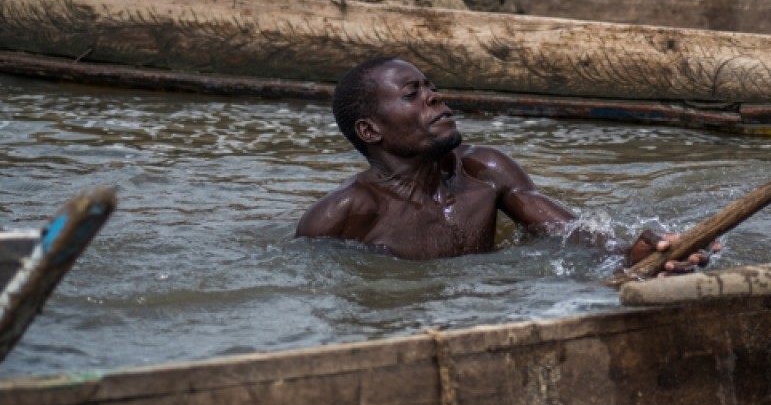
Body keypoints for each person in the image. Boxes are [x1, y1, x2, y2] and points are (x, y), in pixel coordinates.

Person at [296, 57, 714, 270]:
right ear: (370, 131)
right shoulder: (344, 215)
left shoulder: (484, 171)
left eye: (432, 87)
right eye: (412, 95)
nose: (435, 98)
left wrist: (634, 255)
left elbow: (568, 235)